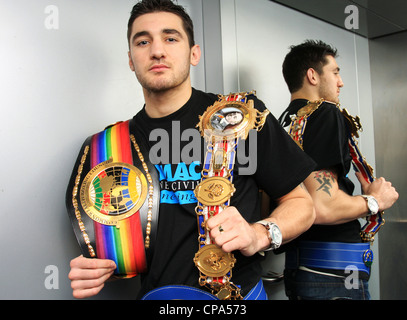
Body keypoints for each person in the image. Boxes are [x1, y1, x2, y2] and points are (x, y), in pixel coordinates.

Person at [67, 0, 316, 300]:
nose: (157, 50)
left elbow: (303, 204)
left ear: (194, 53)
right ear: (131, 59)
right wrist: (95, 267)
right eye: (143, 41)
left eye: (171, 38)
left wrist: (259, 234)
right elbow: (115, 239)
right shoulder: (110, 147)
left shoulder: (242, 116)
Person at [278, 40, 399, 300]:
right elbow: (323, 207)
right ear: (312, 75)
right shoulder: (325, 113)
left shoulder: (282, 122)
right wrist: (374, 201)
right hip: (333, 275)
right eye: (335, 72)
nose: (340, 82)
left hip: (302, 268)